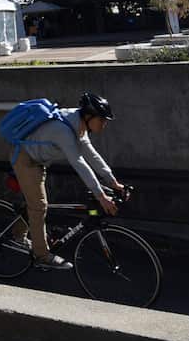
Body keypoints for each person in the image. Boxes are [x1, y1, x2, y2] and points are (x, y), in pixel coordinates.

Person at [8, 92, 125, 271]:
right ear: (89, 116)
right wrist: (101, 196)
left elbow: (91, 155)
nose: (104, 124)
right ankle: (41, 255)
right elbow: (79, 163)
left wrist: (113, 181)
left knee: (33, 203)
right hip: (25, 159)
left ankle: (17, 235)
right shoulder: (63, 130)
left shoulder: (78, 124)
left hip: (38, 160)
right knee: (39, 206)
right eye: (102, 120)